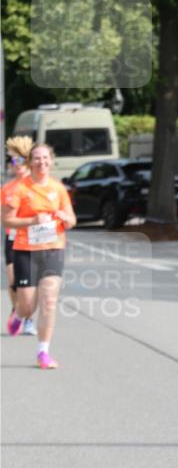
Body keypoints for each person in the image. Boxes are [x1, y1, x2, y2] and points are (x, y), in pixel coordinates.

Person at [1, 143, 77, 369]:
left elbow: (72, 220)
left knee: (49, 301)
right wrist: (32, 221)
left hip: (54, 248)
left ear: (51, 161)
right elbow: (7, 220)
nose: (41, 162)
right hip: (26, 250)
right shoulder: (19, 189)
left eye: (45, 158)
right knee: (27, 306)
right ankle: (18, 315)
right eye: (37, 158)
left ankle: (43, 352)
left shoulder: (58, 188)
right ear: (30, 162)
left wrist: (66, 219)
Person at [1, 136, 37, 336]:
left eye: (21, 160)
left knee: (29, 283)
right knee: (13, 280)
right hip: (12, 237)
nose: (17, 164)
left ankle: (28, 318)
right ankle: (17, 311)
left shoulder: (36, 185)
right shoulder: (7, 188)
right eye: (13, 160)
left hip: (34, 238)